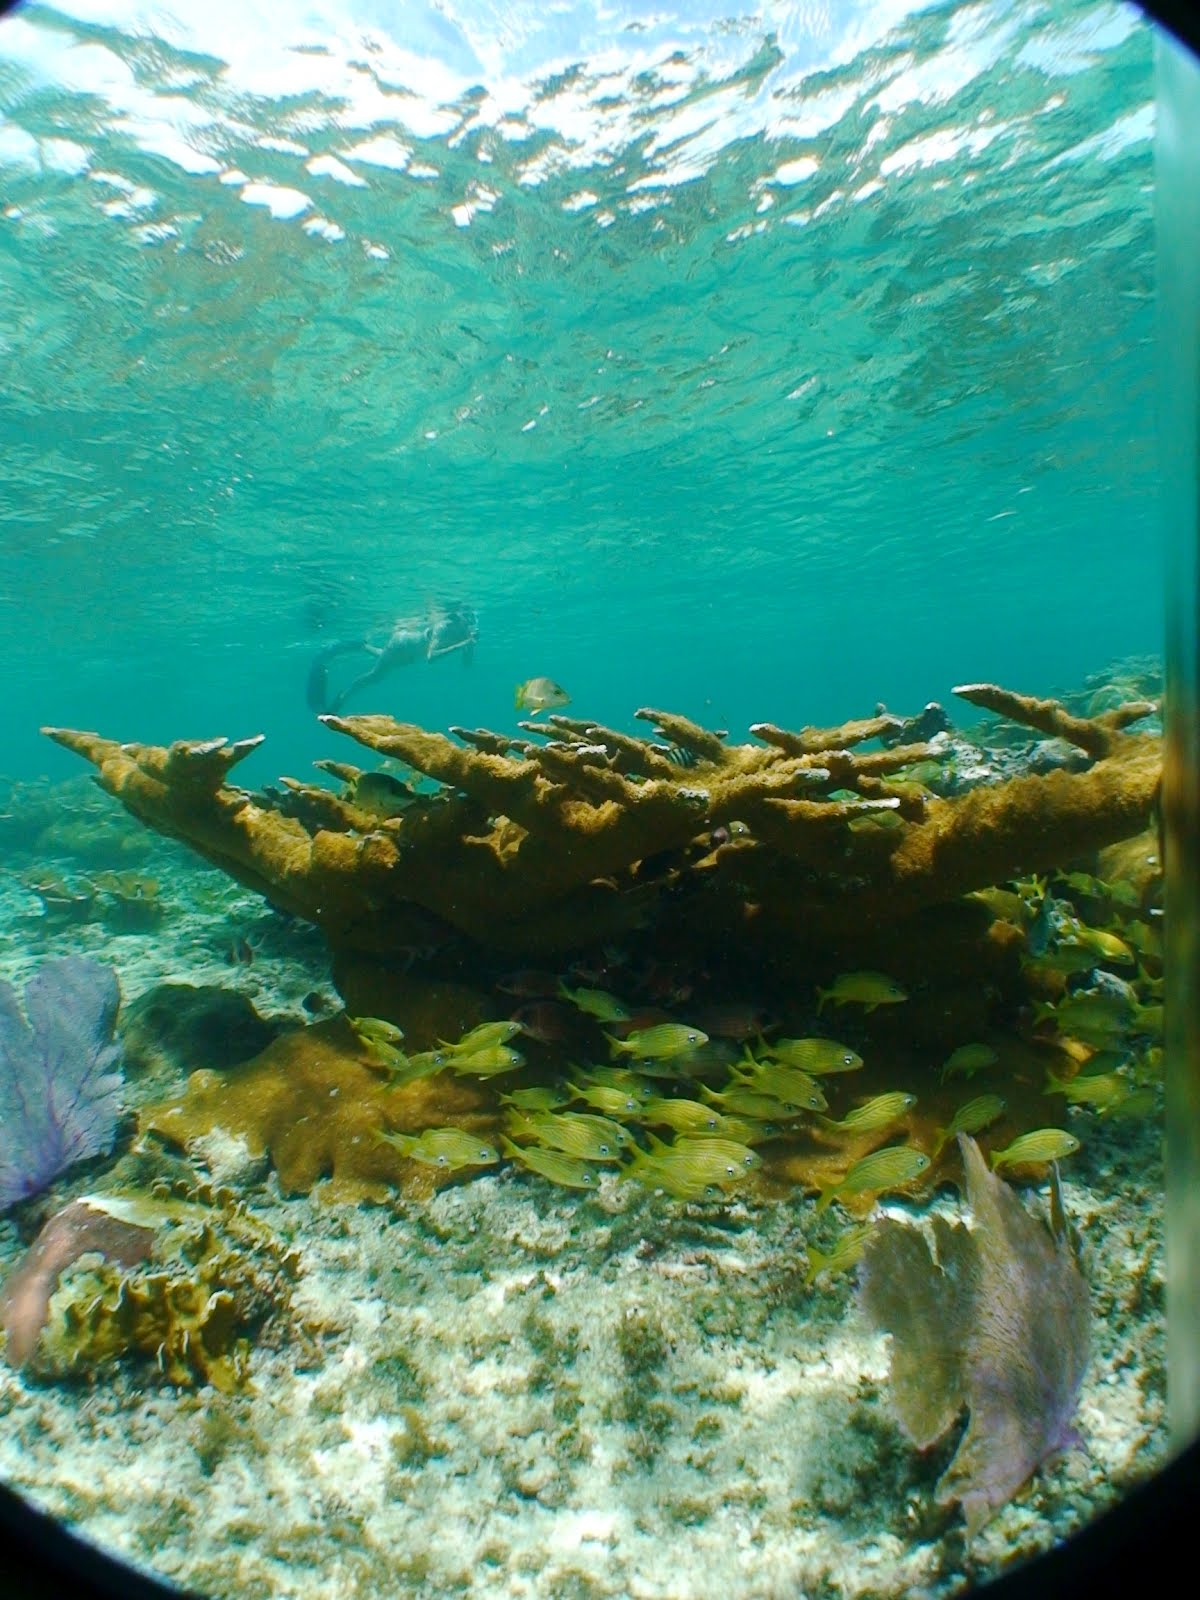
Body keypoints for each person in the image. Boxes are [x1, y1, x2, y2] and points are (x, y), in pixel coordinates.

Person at [306, 601, 478, 714]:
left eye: (471, 618)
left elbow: (466, 664)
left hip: (409, 654)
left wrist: (470, 644)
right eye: (467, 617)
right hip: (400, 646)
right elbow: (431, 658)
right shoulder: (444, 627)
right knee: (375, 677)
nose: (469, 621)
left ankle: (362, 646)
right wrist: (463, 644)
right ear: (456, 617)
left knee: (387, 660)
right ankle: (337, 704)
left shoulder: (464, 631)